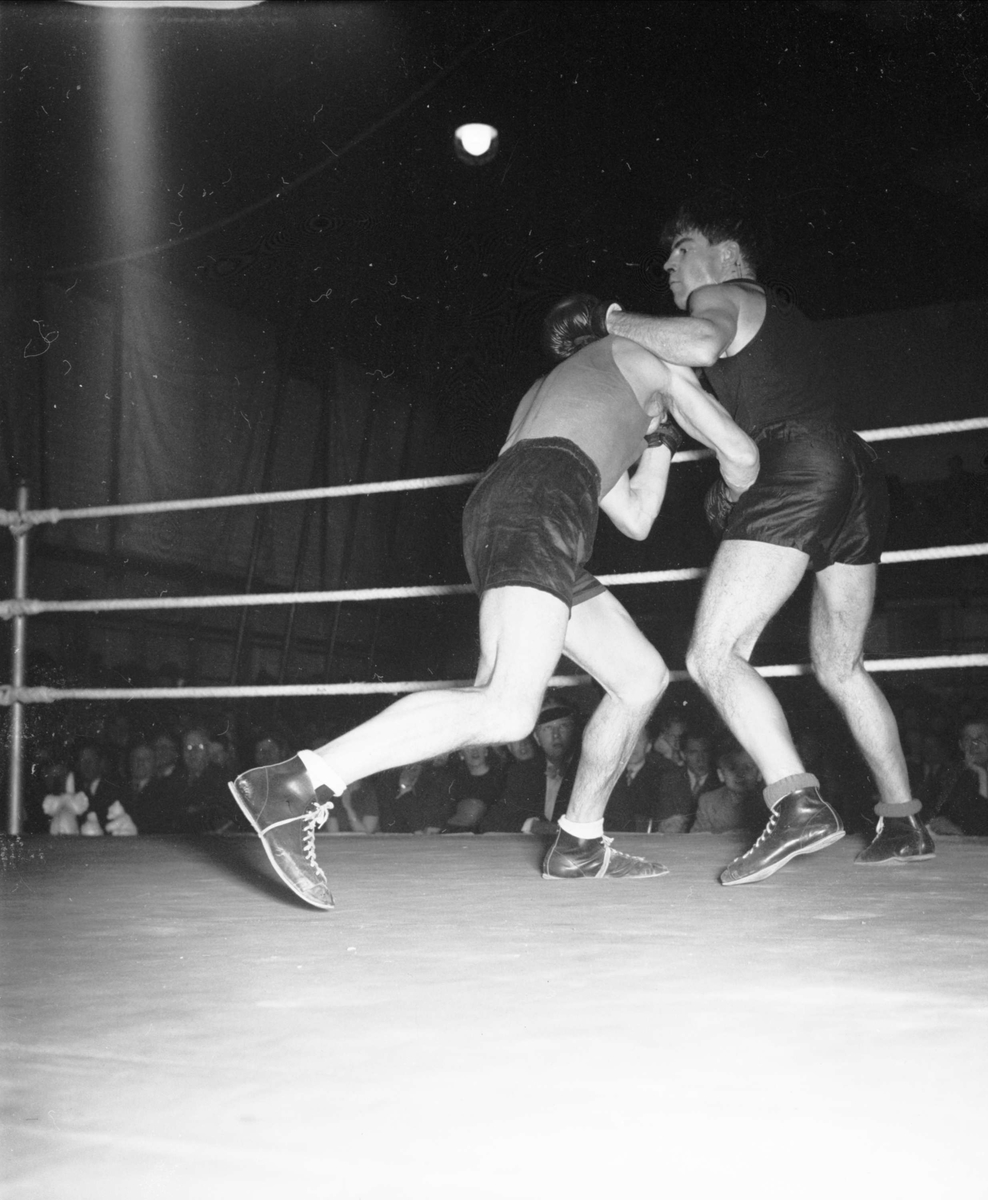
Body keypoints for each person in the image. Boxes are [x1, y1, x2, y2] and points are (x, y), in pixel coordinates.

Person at [229, 295, 760, 908]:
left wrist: (660, 438)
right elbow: (741, 455)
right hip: (542, 503)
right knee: (507, 711)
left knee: (639, 677)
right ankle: (297, 784)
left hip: (531, 503)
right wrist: (741, 500)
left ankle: (580, 841)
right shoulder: (644, 358)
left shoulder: (580, 393)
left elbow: (637, 518)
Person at [602, 197, 932, 882]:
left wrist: (610, 322)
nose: (668, 264)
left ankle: (796, 802)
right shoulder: (781, 317)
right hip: (854, 471)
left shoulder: (722, 294)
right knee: (841, 666)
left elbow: (697, 345)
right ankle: (903, 819)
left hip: (801, 463)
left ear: (725, 256)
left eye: (682, 248)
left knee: (712, 654)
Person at [478, 702, 581, 834]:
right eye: (548, 728)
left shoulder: (589, 773)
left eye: (563, 726)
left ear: (574, 732)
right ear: (537, 738)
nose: (556, 735)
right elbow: (491, 822)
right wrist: (533, 825)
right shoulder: (523, 772)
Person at [690, 743, 766, 835]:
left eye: (747, 768)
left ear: (759, 774)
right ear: (721, 775)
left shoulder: (770, 802)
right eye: (732, 768)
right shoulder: (708, 802)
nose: (740, 774)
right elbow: (695, 840)